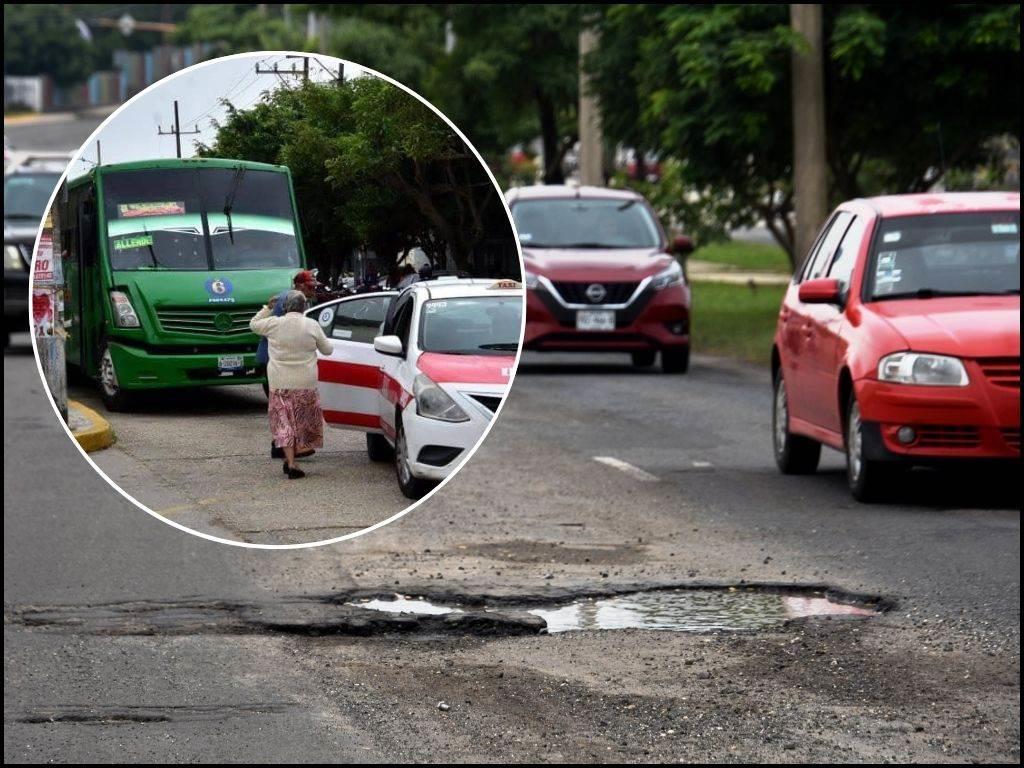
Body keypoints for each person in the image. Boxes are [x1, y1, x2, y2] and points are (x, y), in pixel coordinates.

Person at [250, 291, 333, 479]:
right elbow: (327, 350)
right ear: (304, 307)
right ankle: (296, 455)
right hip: (306, 382)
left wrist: (267, 308)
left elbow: (253, 324)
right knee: (302, 422)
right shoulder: (312, 325)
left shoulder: (274, 324)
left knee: (284, 421)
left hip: (279, 382)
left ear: (285, 307)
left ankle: (291, 461)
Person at [257, 269, 321, 458]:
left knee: (285, 408)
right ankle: (285, 448)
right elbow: (279, 327)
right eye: (311, 287)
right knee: (285, 408)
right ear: (300, 286)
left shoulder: (292, 296)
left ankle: (284, 448)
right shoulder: (293, 299)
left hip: (277, 359)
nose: (313, 291)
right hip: (279, 361)